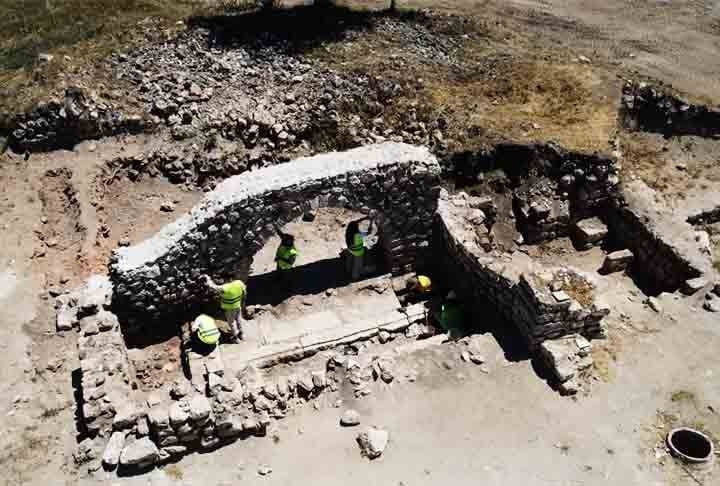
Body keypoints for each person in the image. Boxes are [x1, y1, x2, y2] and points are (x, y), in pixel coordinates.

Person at [204, 275, 247, 342]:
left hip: (229, 308)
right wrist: (243, 302)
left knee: (232, 323)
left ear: (227, 279)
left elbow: (213, 287)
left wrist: (208, 278)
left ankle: (235, 338)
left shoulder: (225, 287)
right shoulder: (239, 283)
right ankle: (242, 334)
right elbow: (244, 292)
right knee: (239, 320)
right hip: (238, 305)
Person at [345, 215, 374, 280]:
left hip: (351, 246)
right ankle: (355, 276)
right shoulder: (356, 234)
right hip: (356, 248)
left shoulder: (351, 229)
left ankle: (348, 271)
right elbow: (364, 235)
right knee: (357, 262)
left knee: (350, 260)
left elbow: (356, 223)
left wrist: (367, 218)